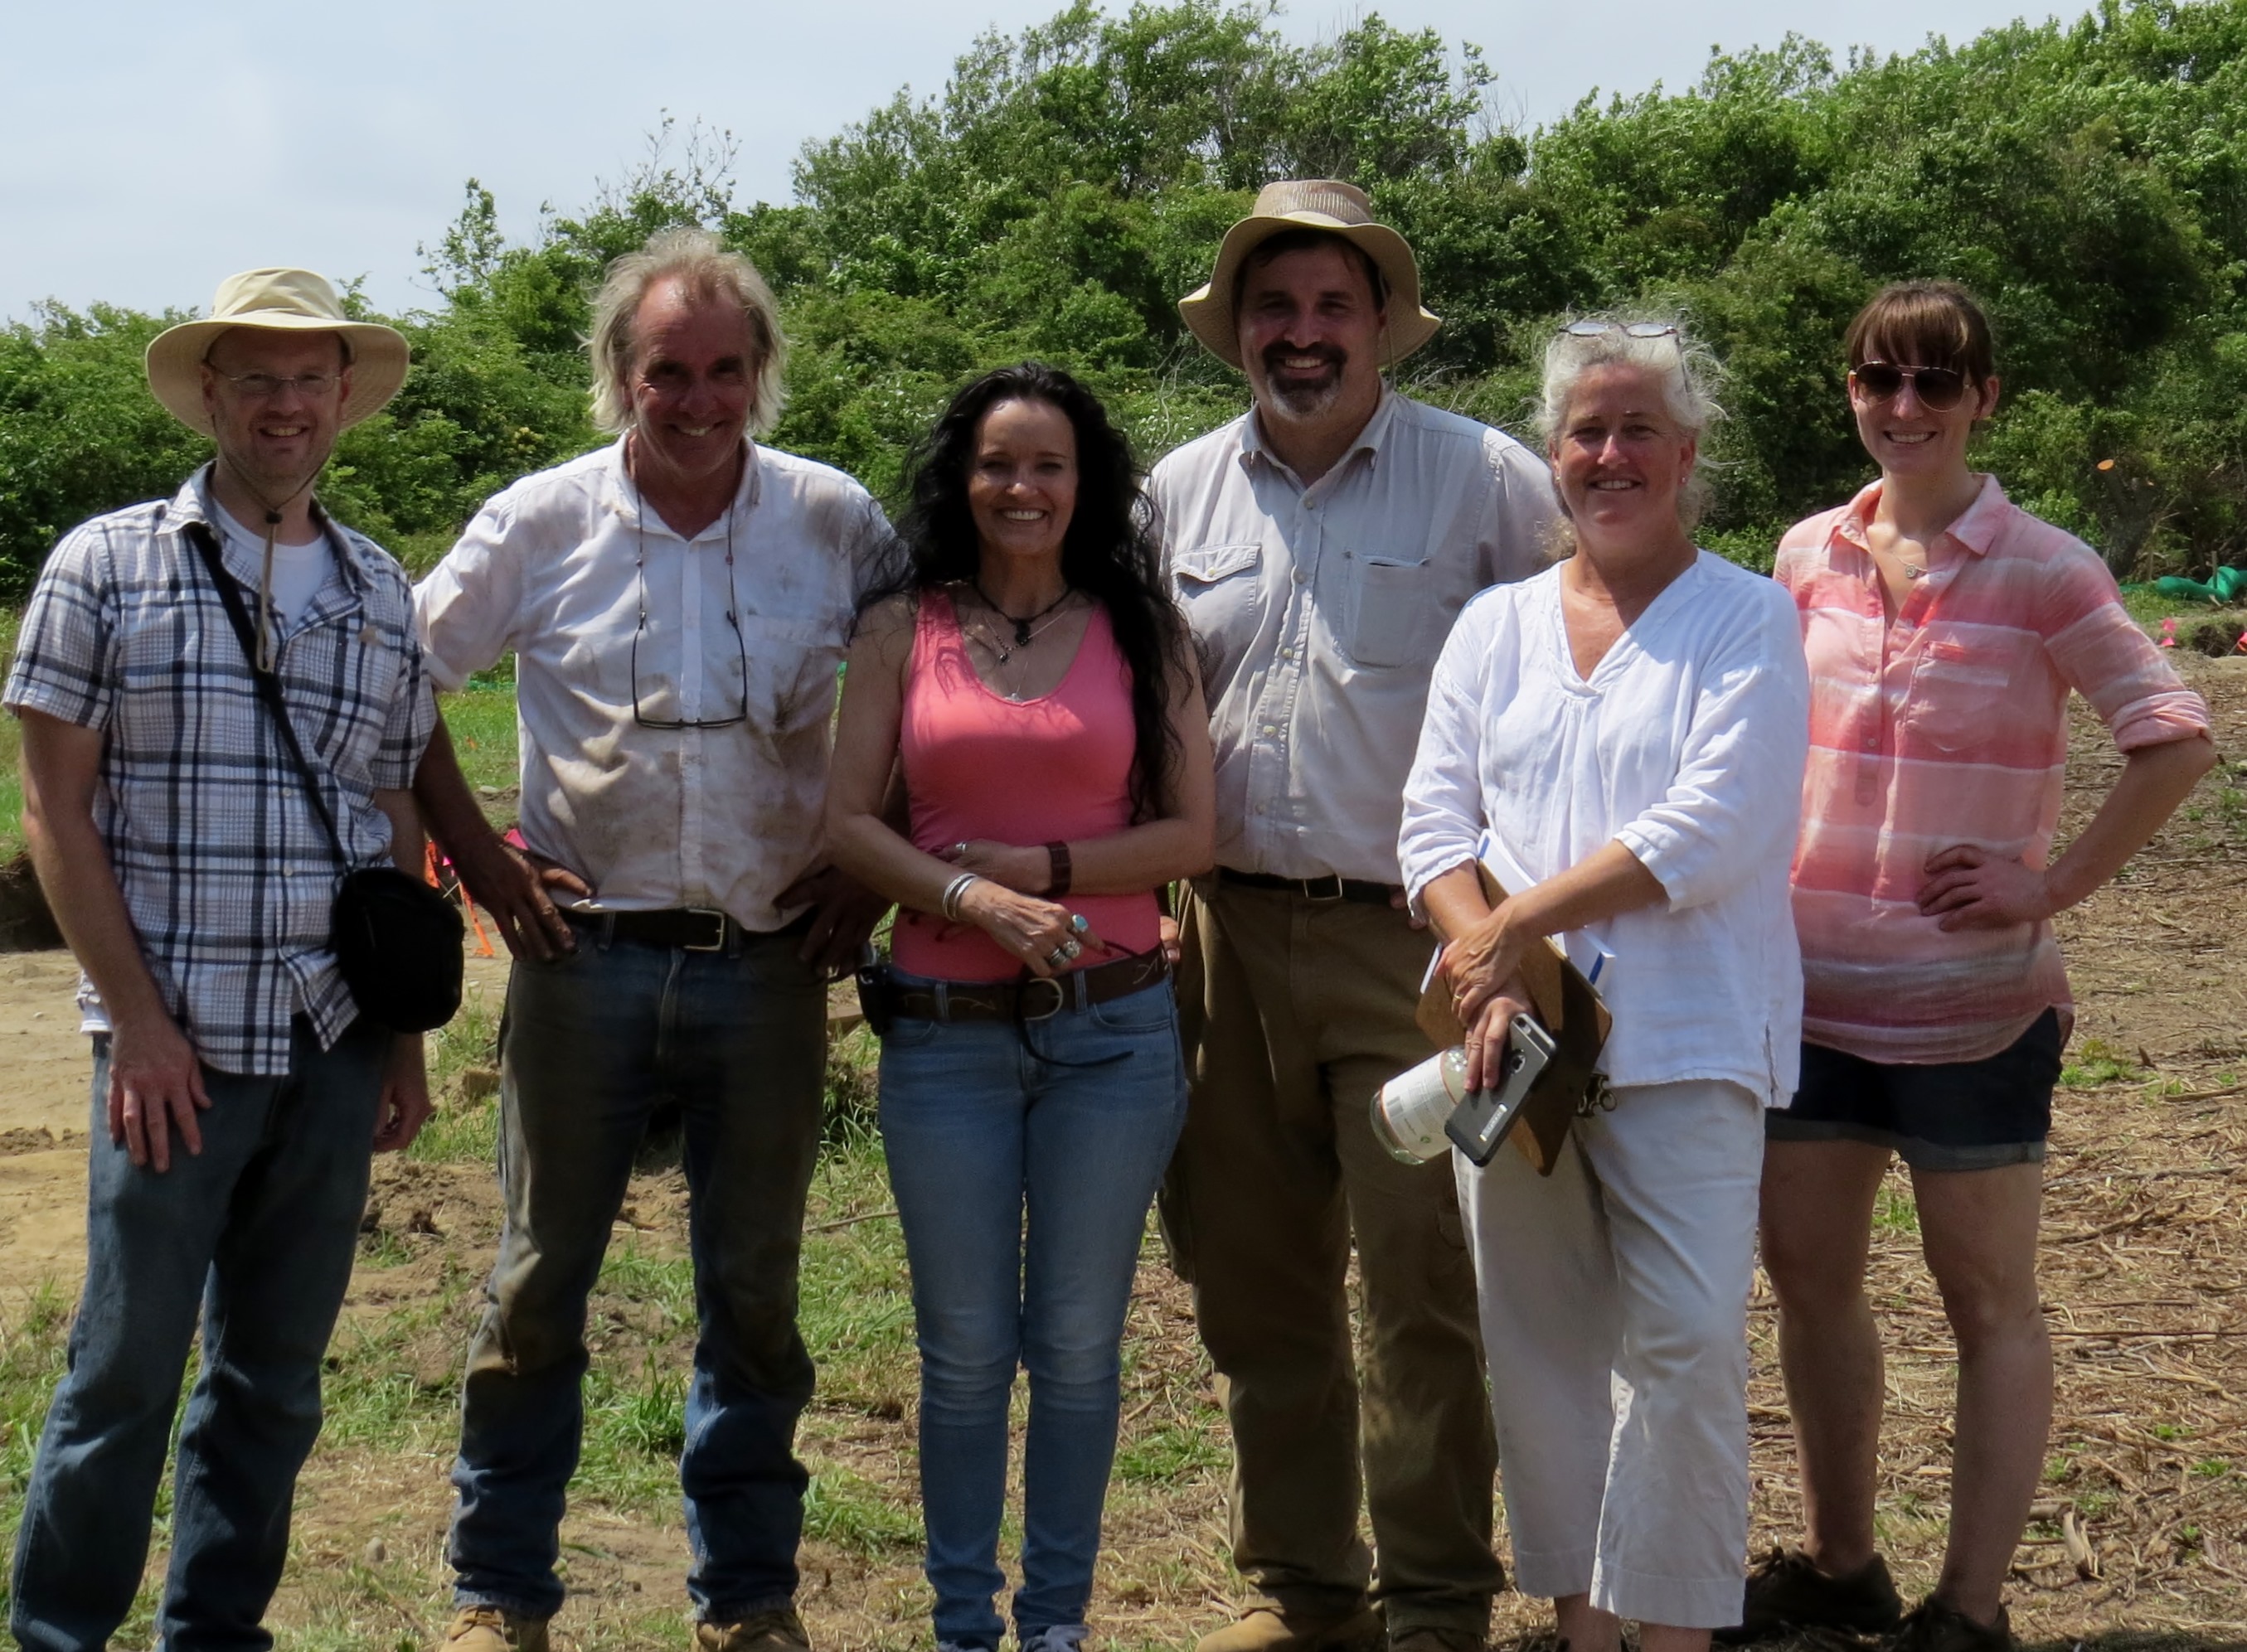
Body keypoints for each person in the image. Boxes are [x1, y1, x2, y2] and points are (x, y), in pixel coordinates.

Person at [410, 226, 892, 1652]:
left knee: (754, 1293)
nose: (698, 400)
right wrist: (482, 856)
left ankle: (747, 1598)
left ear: (762, 374)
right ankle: (498, 1590)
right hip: (583, 957)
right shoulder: (539, 521)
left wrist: (871, 867)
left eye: (725, 370)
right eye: (667, 372)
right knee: (535, 1280)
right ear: (618, 373)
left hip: (768, 959)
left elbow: (930, 686)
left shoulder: (833, 521)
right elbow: (397, 680)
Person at [1734, 281, 2215, 1652]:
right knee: (1810, 1284)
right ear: (1849, 392)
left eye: (1933, 382)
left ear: (1982, 399)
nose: (1903, 407)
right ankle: (1841, 1564)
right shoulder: (1802, 554)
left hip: (1974, 1013)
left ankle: (1970, 1607)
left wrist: (2047, 885)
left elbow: (2174, 737)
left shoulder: (2045, 568)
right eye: (1877, 379)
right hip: (1807, 997)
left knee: (1985, 1301)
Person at [1149, 178, 1558, 1652]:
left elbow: (1574, 681)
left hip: (1422, 945)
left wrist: (1524, 927)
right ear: (1236, 330)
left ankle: (1436, 1597)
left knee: (1420, 1280)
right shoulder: (1174, 493)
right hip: (1224, 937)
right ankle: (1304, 1588)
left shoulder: (1487, 480)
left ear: (1383, 322)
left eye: (1333, 304)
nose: (1302, 332)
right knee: (1253, 1280)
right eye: (1273, 306)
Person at [4, 268, 436, 1648]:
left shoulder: (379, 587)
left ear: (343, 399)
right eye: (257, 379)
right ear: (210, 394)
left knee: (273, 1380)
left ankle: (216, 1631)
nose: (285, 406)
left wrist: (403, 1039)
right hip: (174, 1048)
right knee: (122, 1372)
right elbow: (53, 809)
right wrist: (135, 1023)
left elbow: (392, 809)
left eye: (310, 380)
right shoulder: (105, 564)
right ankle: (61, 1632)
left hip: (332, 1038)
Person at [1400, 316, 1812, 1652]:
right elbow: (1429, 824)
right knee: (1536, 1342)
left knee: (1683, 1343)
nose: (1610, 454)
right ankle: (1583, 1623)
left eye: (1640, 429)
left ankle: (1671, 1628)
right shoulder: (1494, 626)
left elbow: (1710, 829)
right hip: (1506, 1044)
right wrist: (1489, 971)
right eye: (1587, 431)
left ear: (1687, 454)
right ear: (1552, 453)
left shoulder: (1747, 617)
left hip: (1688, 1037)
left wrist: (1511, 926)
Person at [824, 360, 1215, 1652]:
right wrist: (968, 896)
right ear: (963, 477)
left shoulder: (1142, 629)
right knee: (962, 1354)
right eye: (998, 463)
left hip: (1114, 1035)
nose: (1022, 487)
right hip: (945, 1039)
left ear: (1086, 482)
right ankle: (962, 1626)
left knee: (1080, 1347)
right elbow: (846, 822)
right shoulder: (901, 627)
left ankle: (1054, 1624)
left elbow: (1192, 835)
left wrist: (1041, 872)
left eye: (1049, 464)